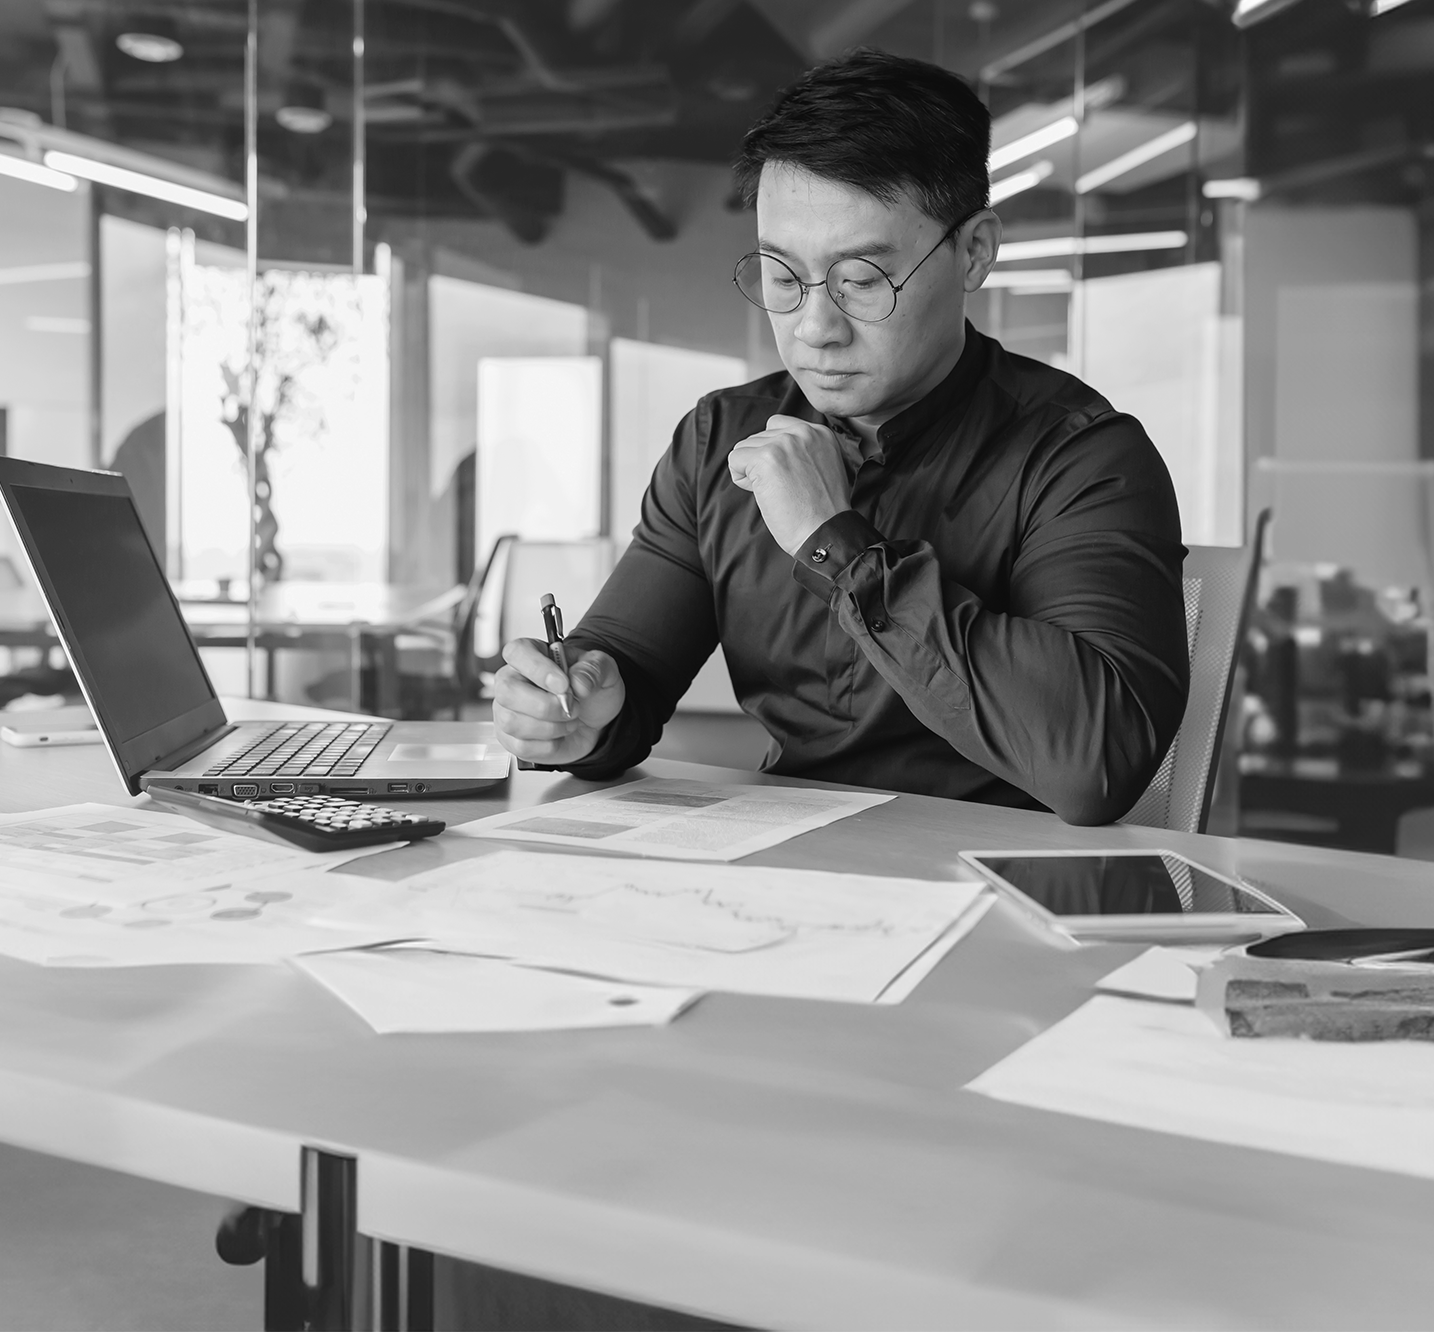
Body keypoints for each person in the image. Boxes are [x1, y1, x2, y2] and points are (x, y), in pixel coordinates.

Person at [490, 49, 1189, 825]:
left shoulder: (1081, 456)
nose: (814, 328)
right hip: (791, 882)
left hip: (1008, 891)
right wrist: (577, 714)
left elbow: (1095, 762)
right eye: (782, 278)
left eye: (860, 280)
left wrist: (835, 543)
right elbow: (626, 666)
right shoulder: (720, 438)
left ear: (975, 251)